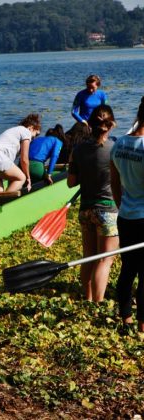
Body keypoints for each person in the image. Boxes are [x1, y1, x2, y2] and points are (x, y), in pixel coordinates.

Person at [67, 104, 119, 302]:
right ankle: (97, 303)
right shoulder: (114, 148)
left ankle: (87, 299)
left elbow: (71, 183)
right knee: (105, 260)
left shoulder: (78, 149)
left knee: (88, 257)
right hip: (108, 211)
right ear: (111, 124)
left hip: (86, 210)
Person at [110, 97, 144, 333]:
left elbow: (114, 182)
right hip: (143, 218)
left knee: (128, 268)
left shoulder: (118, 144)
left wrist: (123, 205)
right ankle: (143, 323)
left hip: (125, 216)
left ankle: (126, 317)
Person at [0, 114, 41, 193]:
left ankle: (2, 202)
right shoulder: (26, 131)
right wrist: (28, 178)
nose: (34, 138)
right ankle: (7, 200)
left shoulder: (14, 130)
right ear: (31, 127)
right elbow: (24, 159)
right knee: (21, 178)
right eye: (36, 134)